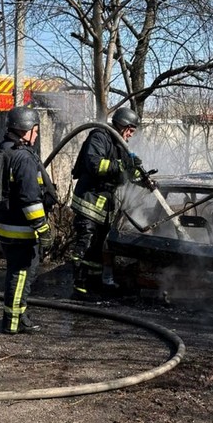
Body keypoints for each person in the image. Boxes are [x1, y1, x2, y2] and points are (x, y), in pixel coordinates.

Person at [0, 106, 56, 334]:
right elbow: (30, 200)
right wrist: (43, 230)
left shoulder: (2, 149)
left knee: (17, 271)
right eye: (36, 130)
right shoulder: (23, 157)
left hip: (5, 224)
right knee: (22, 273)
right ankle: (13, 322)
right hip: (22, 228)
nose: (37, 135)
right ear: (27, 130)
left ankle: (19, 315)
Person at [69, 106, 145, 300]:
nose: (129, 135)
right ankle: (79, 285)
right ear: (120, 125)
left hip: (104, 203)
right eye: (129, 130)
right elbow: (96, 165)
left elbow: (126, 172)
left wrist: (140, 175)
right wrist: (122, 165)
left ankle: (92, 286)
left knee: (97, 248)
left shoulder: (120, 144)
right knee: (85, 244)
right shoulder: (100, 137)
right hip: (89, 200)